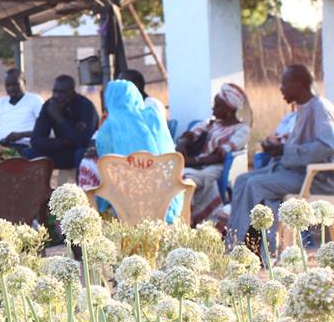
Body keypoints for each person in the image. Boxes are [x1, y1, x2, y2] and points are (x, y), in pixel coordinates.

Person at [227, 64, 334, 247]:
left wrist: (286, 151)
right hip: (295, 172)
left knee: (255, 184)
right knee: (242, 180)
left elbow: (327, 146)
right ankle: (234, 240)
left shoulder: (320, 108)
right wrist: (278, 148)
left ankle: (245, 247)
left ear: (298, 84)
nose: (280, 89)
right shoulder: (303, 108)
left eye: (284, 84)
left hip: (316, 178)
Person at [80, 79, 182, 222]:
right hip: (167, 200)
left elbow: (106, 163)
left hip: (128, 205)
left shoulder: (109, 127)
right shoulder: (154, 117)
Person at [177, 83, 252, 225]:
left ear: (229, 109)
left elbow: (220, 156)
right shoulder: (210, 123)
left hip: (213, 168)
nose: (213, 109)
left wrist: (191, 161)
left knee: (183, 181)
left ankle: (185, 222)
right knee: (171, 177)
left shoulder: (241, 130)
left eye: (217, 106)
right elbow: (187, 136)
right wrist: (183, 144)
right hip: (193, 164)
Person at [24, 75, 98, 170]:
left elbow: (83, 142)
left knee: (81, 153)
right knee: (29, 153)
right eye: (55, 91)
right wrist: (62, 142)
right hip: (62, 148)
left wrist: (58, 117)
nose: (56, 96)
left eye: (61, 92)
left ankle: (81, 180)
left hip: (83, 151)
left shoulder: (85, 106)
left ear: (72, 92)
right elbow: (36, 140)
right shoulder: (50, 105)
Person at [0, 68, 43, 154]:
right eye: (8, 85)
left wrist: (21, 135)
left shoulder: (34, 100)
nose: (11, 88)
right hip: (2, 146)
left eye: (15, 84)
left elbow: (44, 131)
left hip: (26, 146)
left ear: (24, 83)